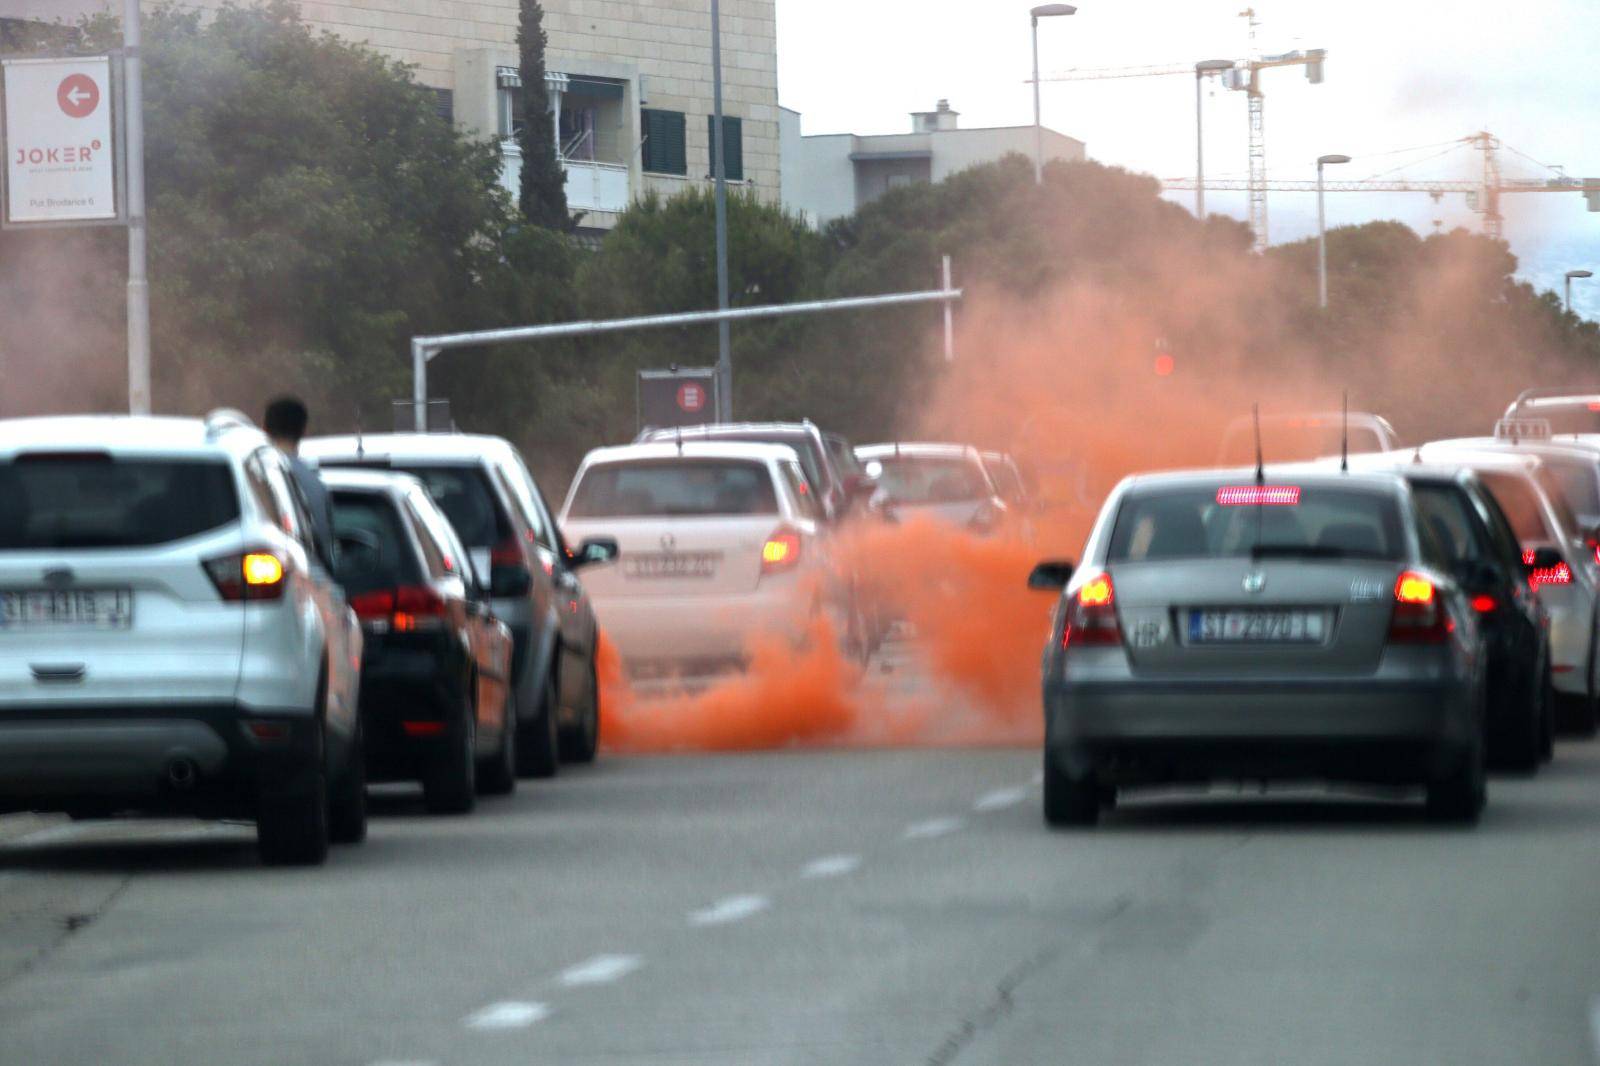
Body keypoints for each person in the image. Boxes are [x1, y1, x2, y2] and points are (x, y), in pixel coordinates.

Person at [264, 395, 336, 568]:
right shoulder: (315, 485)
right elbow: (325, 549)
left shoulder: (254, 475)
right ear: (304, 430)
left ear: (264, 428)